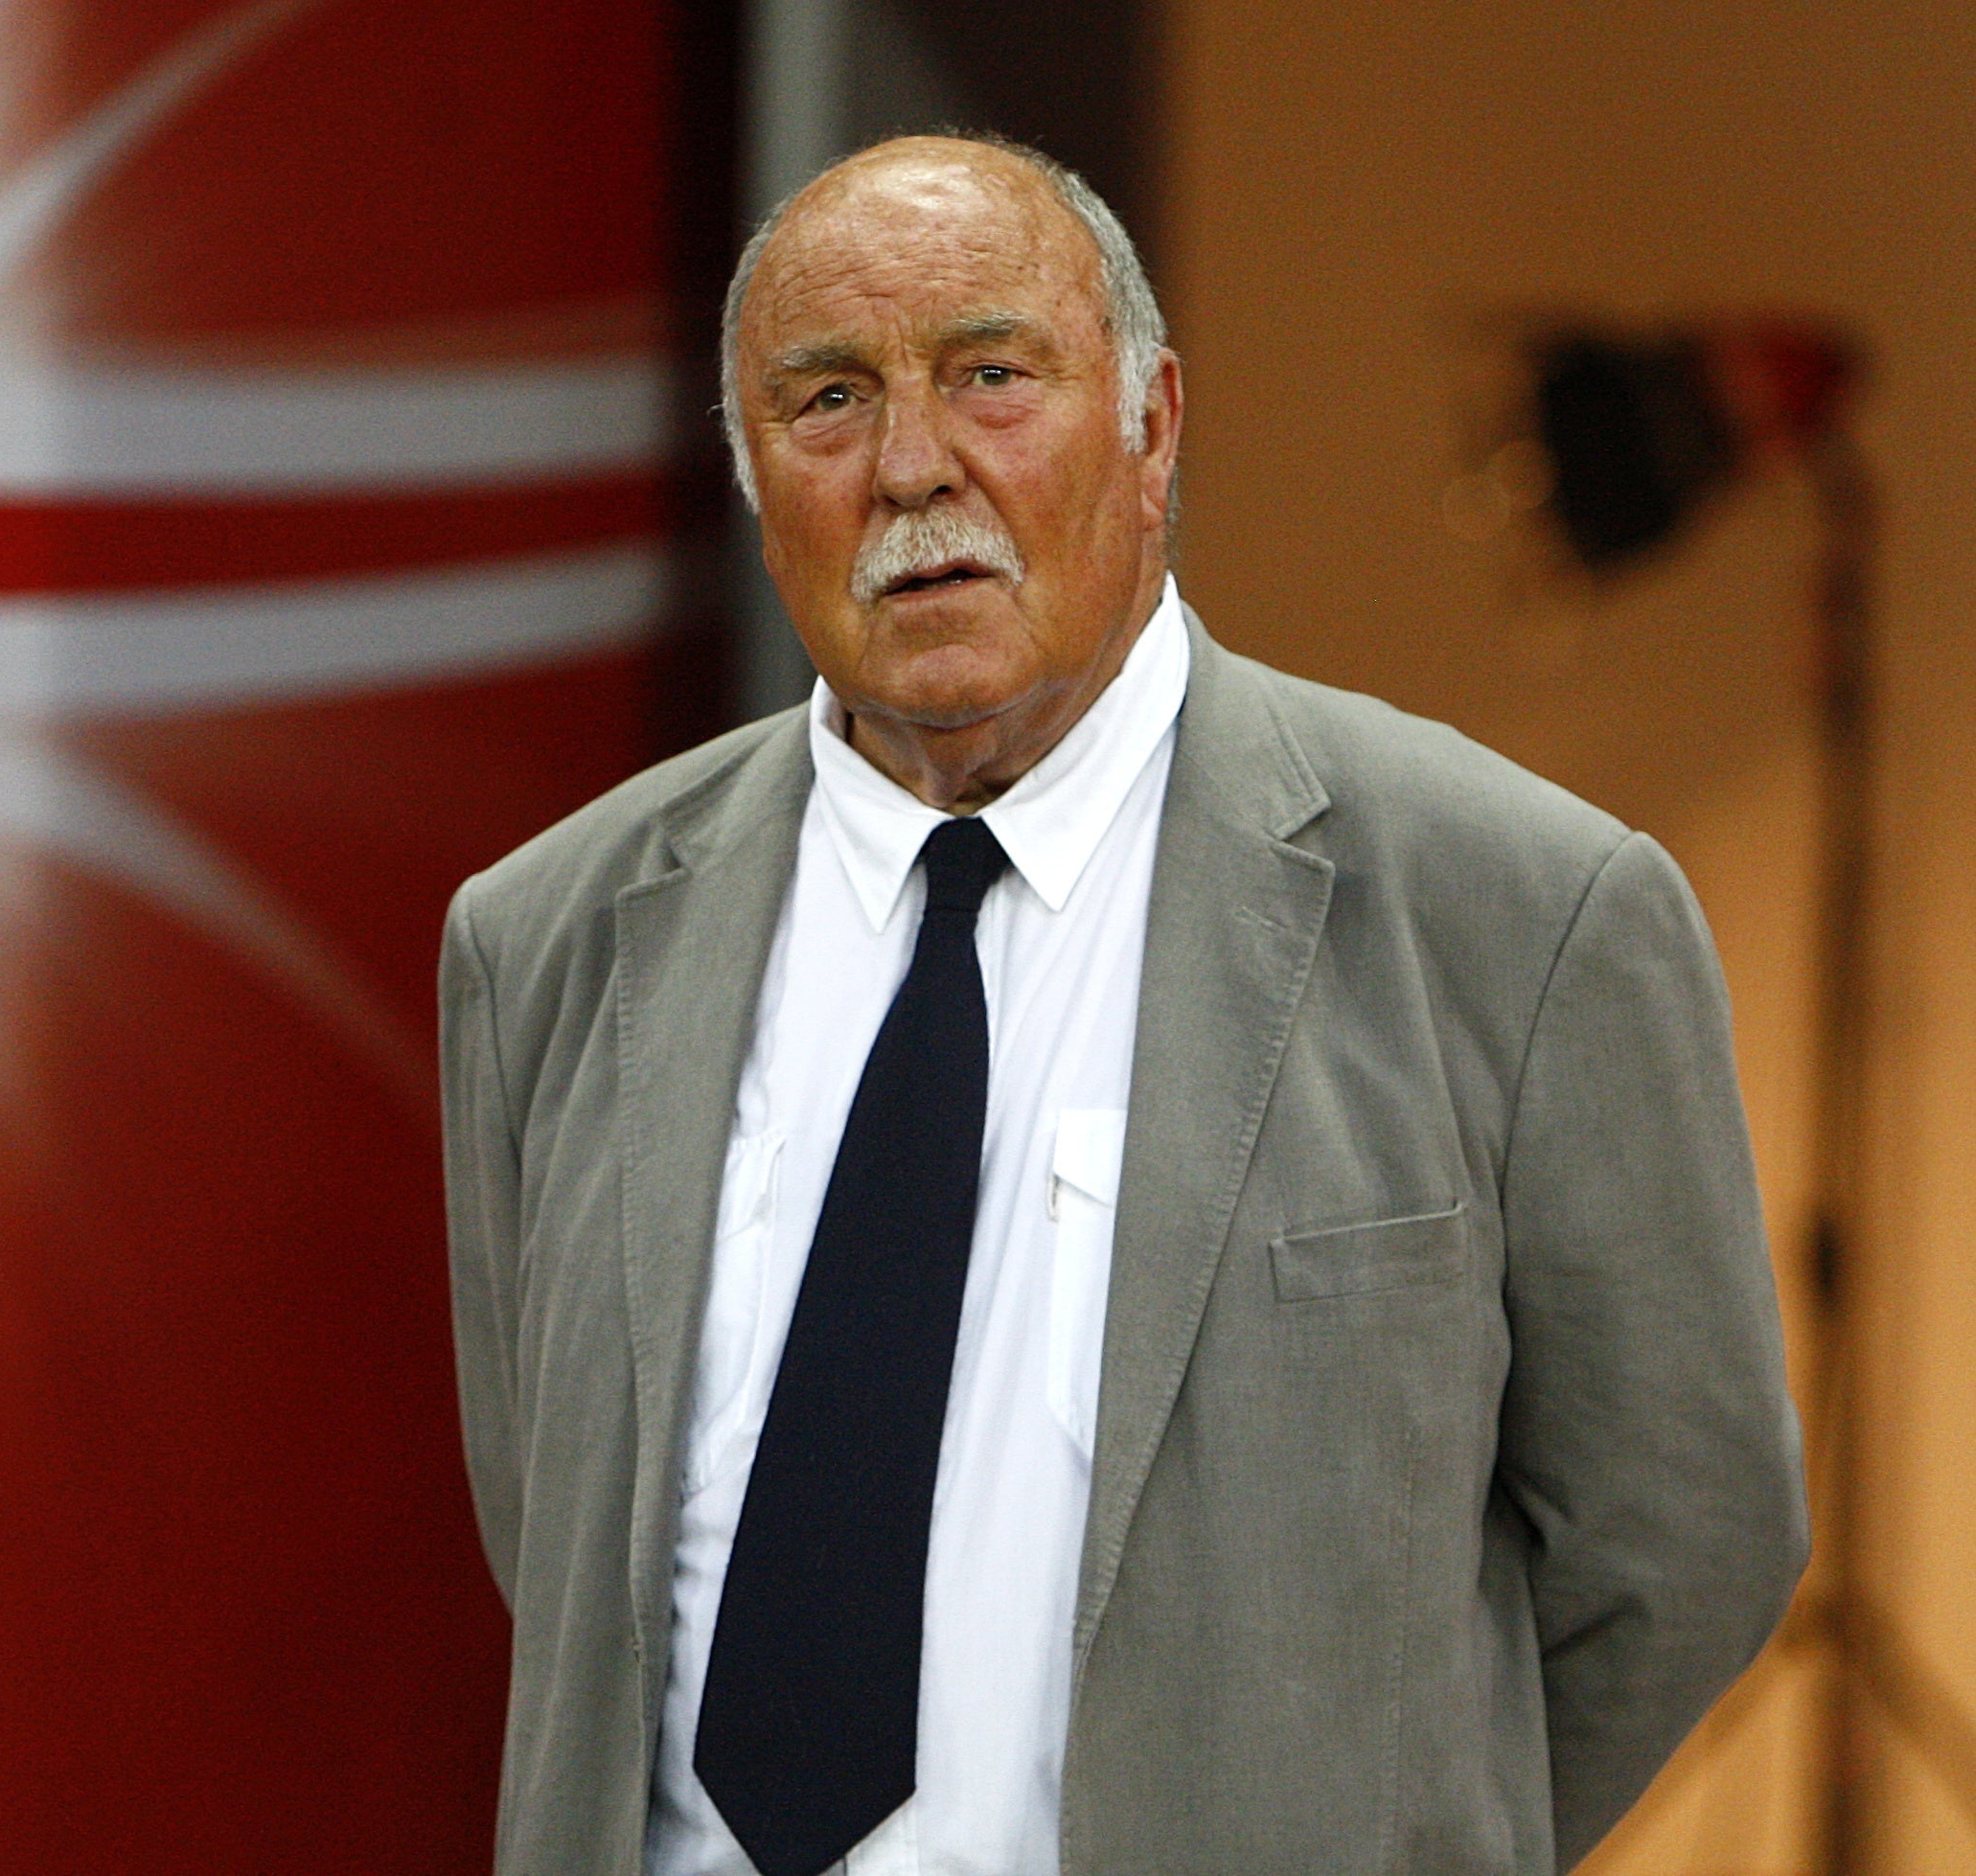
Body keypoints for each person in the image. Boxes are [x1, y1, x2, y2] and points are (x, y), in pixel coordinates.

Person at [438, 133, 1804, 1876]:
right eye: (827, 399)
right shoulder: (544, 940)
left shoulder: (1516, 913)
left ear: (1154, 425)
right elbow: (559, 1544)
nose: (912, 465)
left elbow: (1683, 1542)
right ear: (749, 470)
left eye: (992, 374)